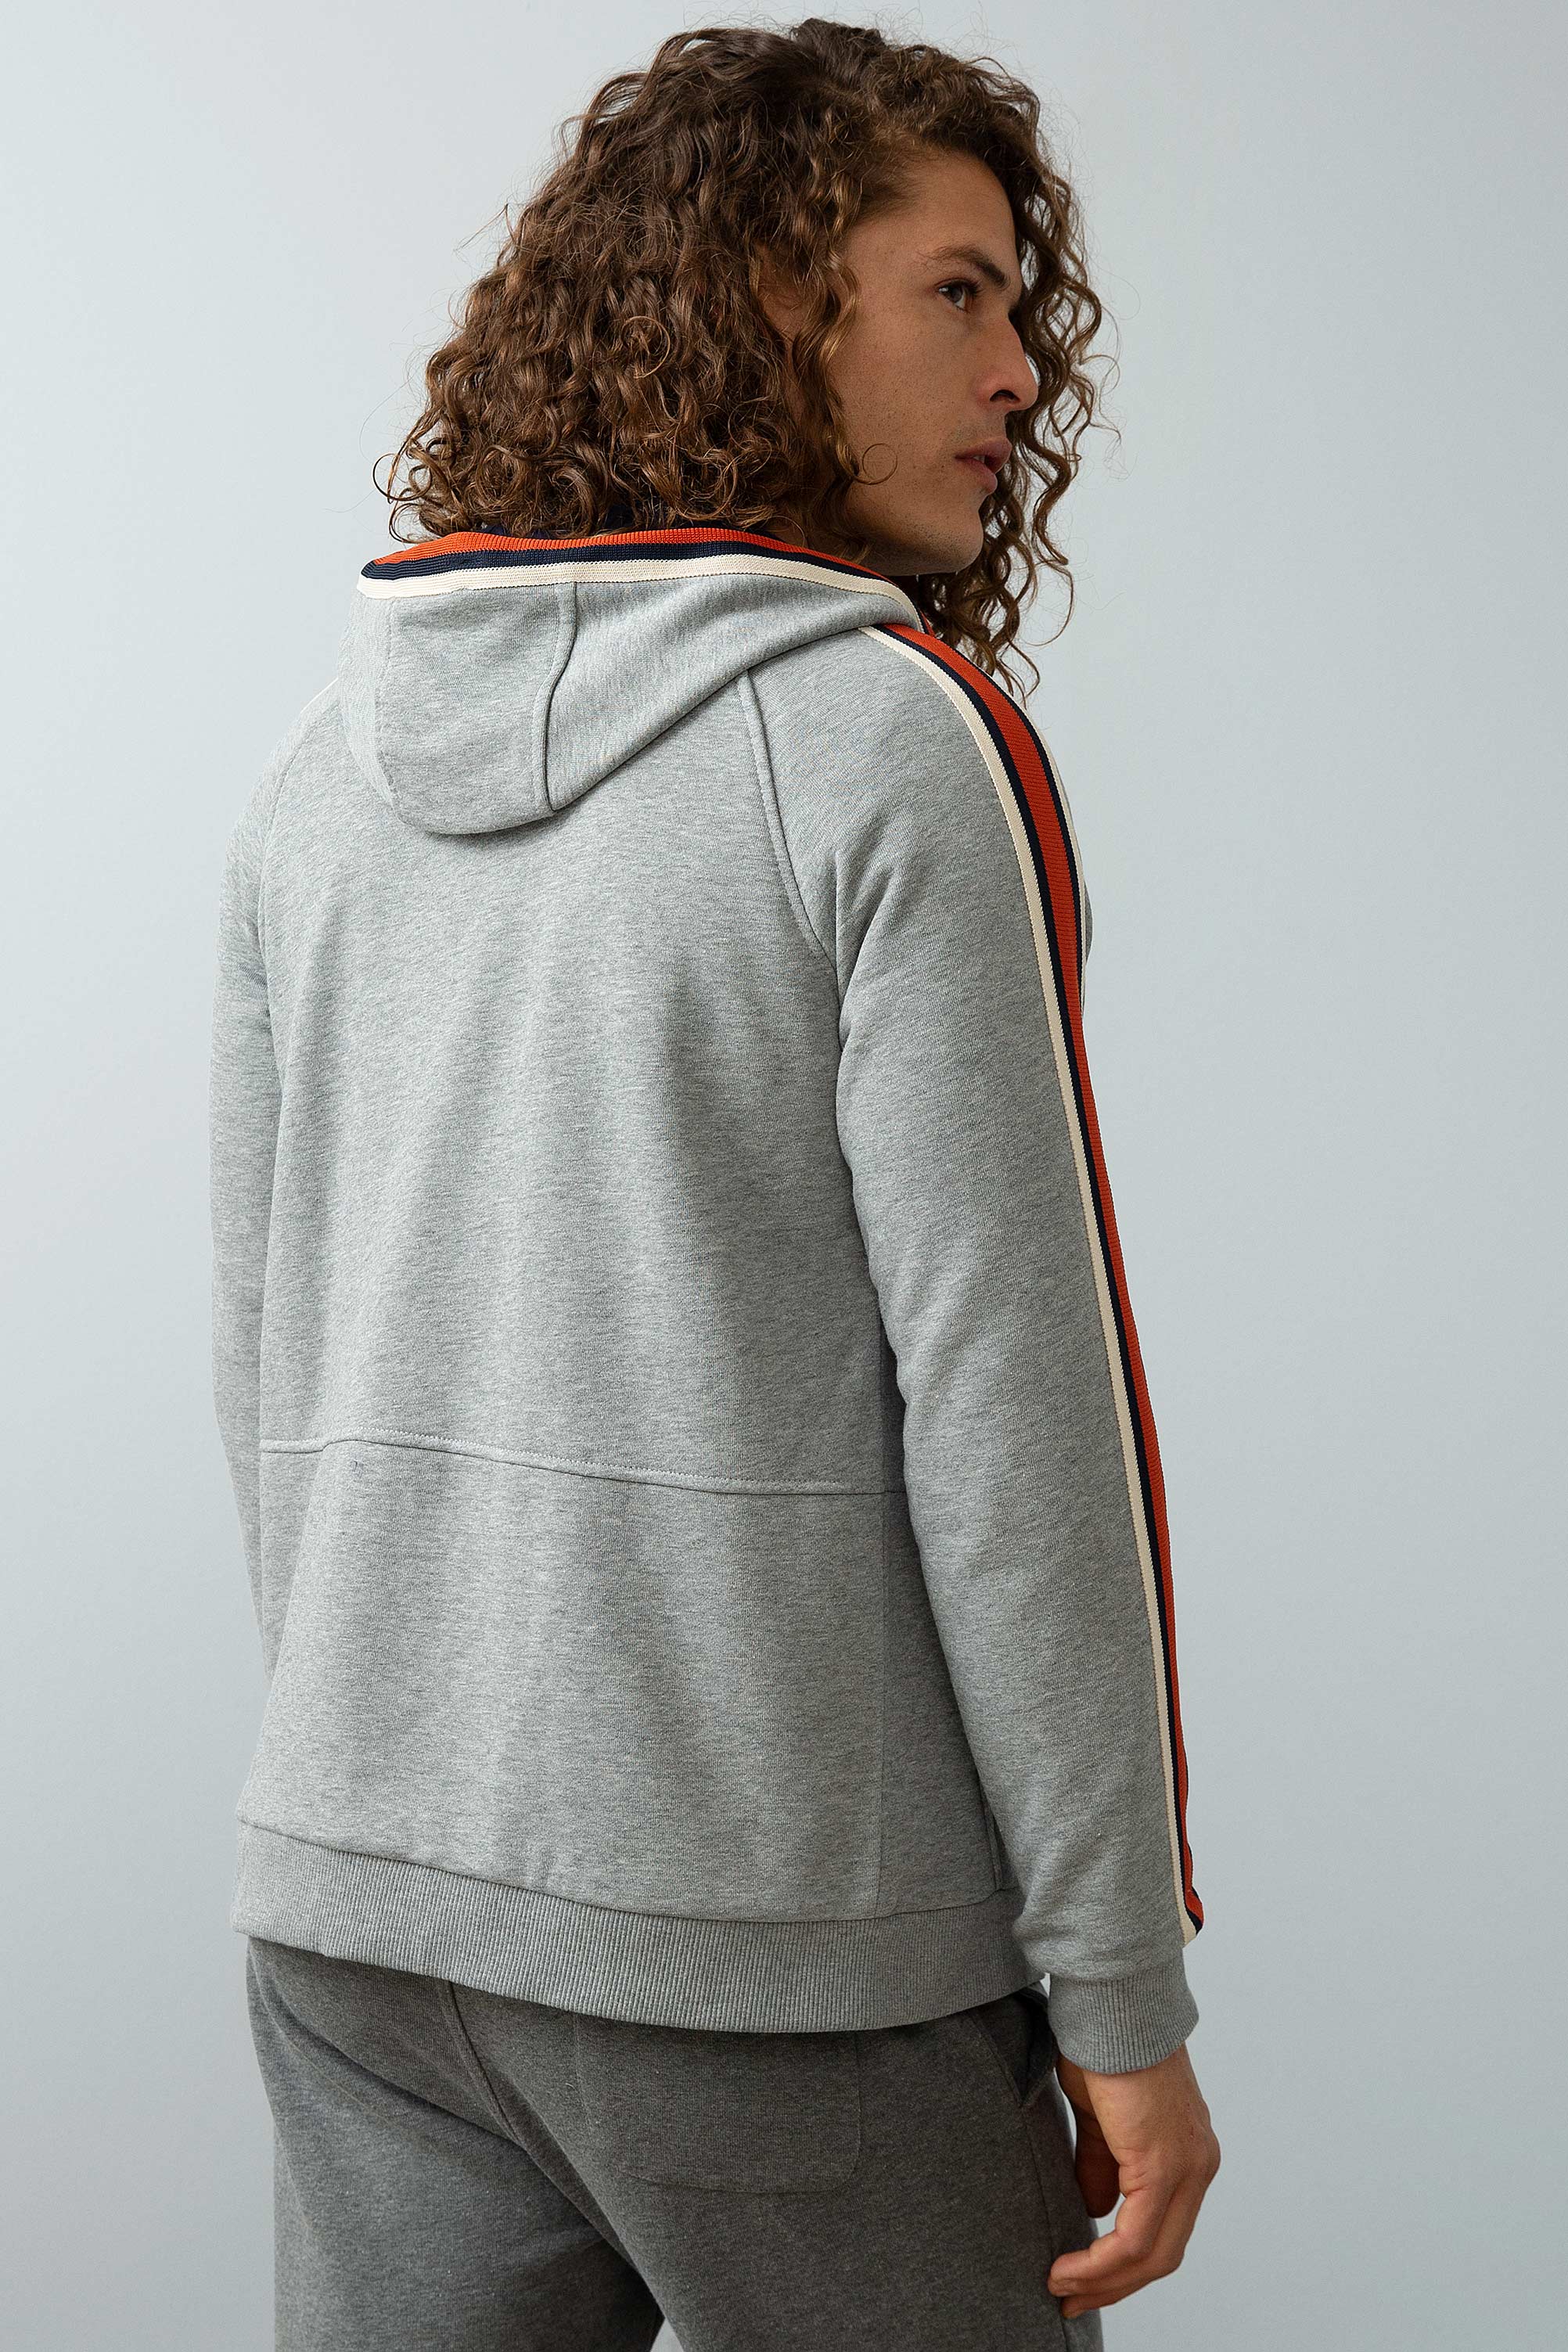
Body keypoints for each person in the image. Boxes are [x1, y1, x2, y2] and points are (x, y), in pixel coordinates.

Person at [209, 18, 1221, 2347]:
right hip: (777, 1959)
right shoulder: (887, 743)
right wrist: (1118, 1986)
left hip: (361, 1912)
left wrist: (406, 1766)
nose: (1020, 371)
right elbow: (1016, 1410)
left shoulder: (317, 769)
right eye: (956, 292)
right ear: (777, 296)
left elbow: (269, 1377)